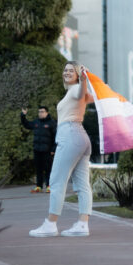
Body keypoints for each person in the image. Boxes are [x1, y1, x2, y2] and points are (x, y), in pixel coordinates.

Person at [29, 61, 94, 237]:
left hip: (71, 136)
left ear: (77, 74)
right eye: (65, 70)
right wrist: (86, 81)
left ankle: (50, 224)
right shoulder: (74, 91)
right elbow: (91, 97)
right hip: (81, 137)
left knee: (57, 180)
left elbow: (81, 94)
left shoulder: (76, 89)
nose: (66, 72)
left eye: (71, 70)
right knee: (82, 184)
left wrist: (84, 79)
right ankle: (82, 224)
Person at [21, 105, 56, 193]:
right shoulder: (36, 122)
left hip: (47, 151)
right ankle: (39, 186)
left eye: (42, 112)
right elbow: (27, 125)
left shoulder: (51, 123)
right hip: (37, 150)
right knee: (38, 169)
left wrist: (53, 149)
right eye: (39, 112)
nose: (40, 113)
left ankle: (49, 186)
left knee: (48, 169)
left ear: (47, 113)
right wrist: (23, 115)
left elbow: (56, 137)